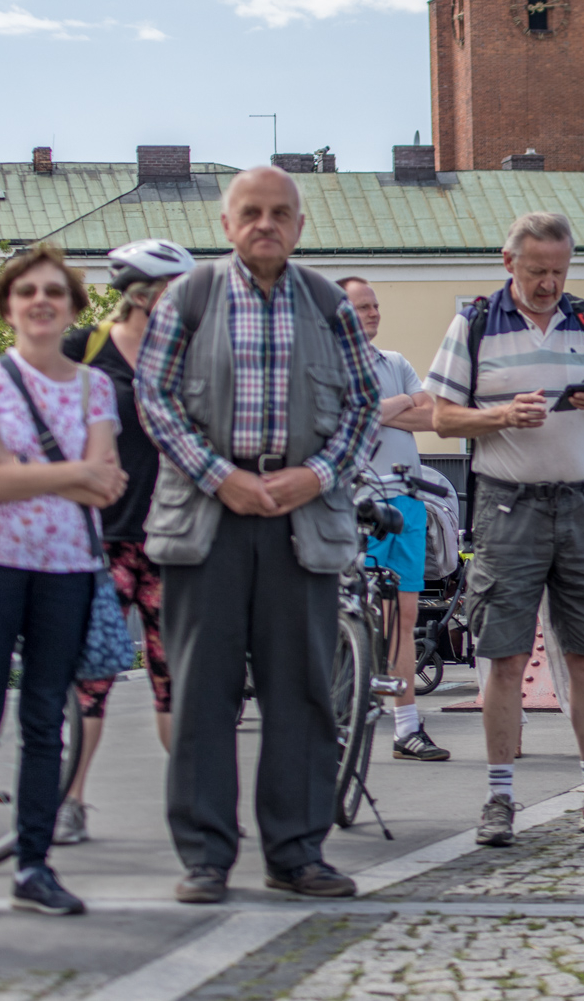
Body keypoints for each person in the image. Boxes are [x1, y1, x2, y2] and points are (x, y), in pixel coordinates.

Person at [137, 166, 379, 903]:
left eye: (280, 213)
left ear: (300, 225)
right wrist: (220, 475)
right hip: (209, 514)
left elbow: (366, 403)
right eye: (251, 212)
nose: (265, 223)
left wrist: (319, 474)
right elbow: (155, 397)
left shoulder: (326, 302)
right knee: (203, 691)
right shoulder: (191, 296)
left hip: (300, 515)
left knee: (302, 688)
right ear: (226, 223)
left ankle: (297, 851)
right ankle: (206, 857)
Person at [426, 210, 584, 846]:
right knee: (503, 652)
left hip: (579, 499)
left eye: (559, 270)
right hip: (507, 502)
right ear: (508, 263)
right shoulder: (474, 321)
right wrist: (497, 415)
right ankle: (499, 798)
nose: (549, 283)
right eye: (537, 271)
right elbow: (441, 417)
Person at [0, 244, 127, 915]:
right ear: (10, 306)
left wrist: (34, 472)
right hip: (0, 565)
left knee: (46, 716)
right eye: (27, 292)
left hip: (69, 567)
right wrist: (71, 474)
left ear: (73, 306)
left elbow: (106, 484)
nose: (41, 301)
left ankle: (34, 864)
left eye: (54, 291)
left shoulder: (94, 386)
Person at [56, 239, 193, 845]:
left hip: (169, 541)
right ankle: (71, 800)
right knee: (91, 679)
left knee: (174, 680)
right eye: (174, 293)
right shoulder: (83, 351)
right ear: (144, 293)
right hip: (101, 542)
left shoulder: (187, 358)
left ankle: (193, 805)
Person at [342, 276, 449, 762]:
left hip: (404, 501)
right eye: (362, 307)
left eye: (375, 305)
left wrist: (390, 406)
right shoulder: (331, 365)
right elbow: (351, 419)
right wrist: (400, 404)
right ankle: (347, 702)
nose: (373, 313)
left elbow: (430, 417)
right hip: (355, 500)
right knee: (356, 609)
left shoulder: (396, 363)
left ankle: (406, 724)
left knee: (403, 615)